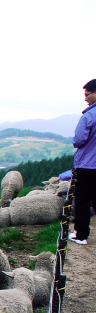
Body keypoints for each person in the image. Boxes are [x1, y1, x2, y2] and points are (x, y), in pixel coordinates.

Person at [71, 79, 96, 245]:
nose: (85, 98)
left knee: (82, 199)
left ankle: (81, 234)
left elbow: (79, 140)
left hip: (87, 165)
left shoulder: (89, 115)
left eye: (87, 94)